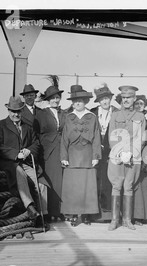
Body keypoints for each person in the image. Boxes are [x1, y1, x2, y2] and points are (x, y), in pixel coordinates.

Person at [0, 96, 49, 229]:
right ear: (8, 110)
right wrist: (16, 153)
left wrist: (28, 150)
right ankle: (30, 207)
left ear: (22, 111)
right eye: (12, 111)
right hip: (6, 162)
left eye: (18, 111)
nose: (16, 114)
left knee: (38, 180)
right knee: (19, 171)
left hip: (26, 161)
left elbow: (36, 143)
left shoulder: (27, 127)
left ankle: (42, 216)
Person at [60, 86, 102, 227]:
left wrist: (96, 156)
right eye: (75, 101)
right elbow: (64, 138)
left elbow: (96, 137)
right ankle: (73, 214)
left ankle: (85, 215)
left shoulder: (92, 117)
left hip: (87, 155)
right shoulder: (68, 117)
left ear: (85, 102)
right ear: (72, 103)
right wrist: (63, 156)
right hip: (72, 155)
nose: (77, 104)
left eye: (80, 101)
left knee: (87, 186)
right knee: (73, 187)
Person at [107, 85, 146, 231]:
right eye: (123, 98)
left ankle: (127, 220)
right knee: (116, 185)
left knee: (129, 186)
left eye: (129, 98)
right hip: (117, 156)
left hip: (133, 156)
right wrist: (119, 152)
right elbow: (112, 136)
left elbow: (141, 138)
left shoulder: (140, 117)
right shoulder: (115, 115)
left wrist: (130, 152)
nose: (126, 100)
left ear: (134, 98)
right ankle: (114, 219)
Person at [34, 77, 67, 223]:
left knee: (60, 181)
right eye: (53, 98)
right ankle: (50, 212)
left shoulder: (63, 113)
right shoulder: (41, 114)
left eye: (57, 97)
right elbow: (36, 133)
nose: (55, 100)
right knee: (51, 181)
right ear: (48, 100)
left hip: (61, 149)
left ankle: (59, 211)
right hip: (48, 151)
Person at [92, 84, 116, 220]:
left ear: (110, 99)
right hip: (95, 151)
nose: (105, 102)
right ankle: (94, 212)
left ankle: (107, 213)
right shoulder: (93, 112)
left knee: (108, 180)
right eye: (102, 99)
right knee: (95, 180)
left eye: (107, 98)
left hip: (110, 151)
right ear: (98, 101)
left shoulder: (116, 112)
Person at [132, 94, 147, 226]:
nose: (139, 106)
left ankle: (145, 215)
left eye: (141, 104)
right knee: (135, 184)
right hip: (134, 153)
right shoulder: (132, 118)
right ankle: (136, 215)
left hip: (146, 154)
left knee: (145, 184)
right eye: (137, 103)